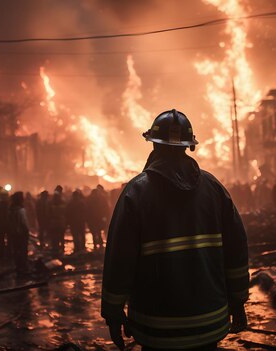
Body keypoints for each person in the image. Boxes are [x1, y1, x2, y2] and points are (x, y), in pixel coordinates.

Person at [101, 109, 249, 350]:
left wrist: (113, 311)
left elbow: (119, 259)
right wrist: (238, 301)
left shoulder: (136, 193)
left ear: (153, 146)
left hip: (157, 330)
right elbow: (237, 250)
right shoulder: (214, 189)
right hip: (210, 324)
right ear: (188, 147)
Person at [8, 192, 30, 276]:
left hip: (13, 232)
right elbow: (24, 223)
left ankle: (18, 266)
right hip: (21, 233)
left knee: (16, 250)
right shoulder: (21, 210)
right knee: (23, 250)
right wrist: (27, 230)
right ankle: (23, 267)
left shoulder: (10, 209)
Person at [49, 187, 67, 255]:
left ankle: (56, 249)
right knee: (61, 237)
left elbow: (49, 214)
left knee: (54, 237)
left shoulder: (51, 205)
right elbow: (66, 213)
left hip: (54, 223)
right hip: (61, 222)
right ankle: (62, 249)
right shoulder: (63, 204)